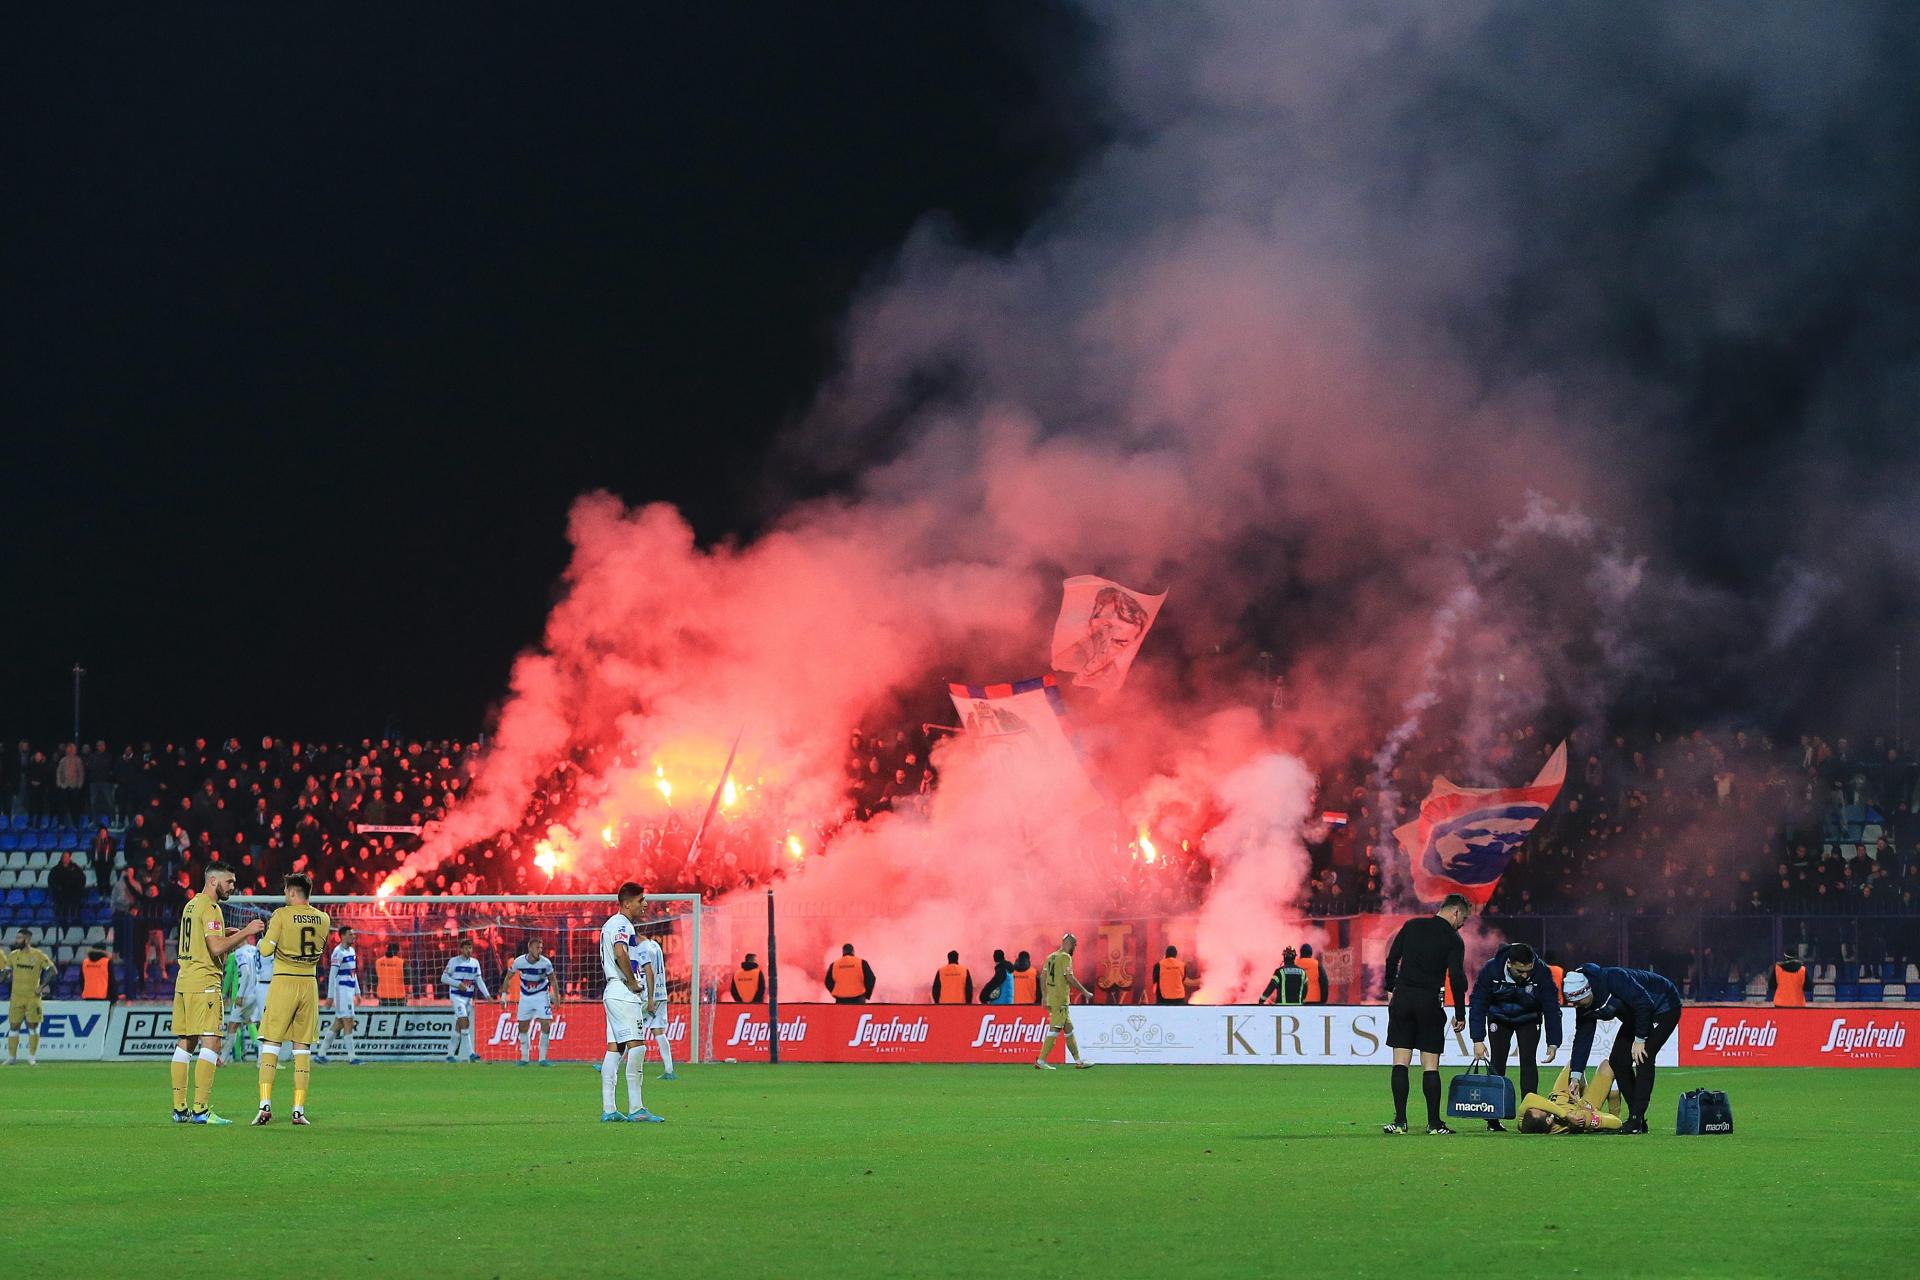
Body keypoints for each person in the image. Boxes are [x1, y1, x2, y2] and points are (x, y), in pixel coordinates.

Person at [169, 866, 265, 1124]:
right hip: (205, 982)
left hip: (185, 980)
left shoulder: (191, 905)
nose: (233, 886)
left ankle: (180, 1109)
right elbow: (215, 948)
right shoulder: (212, 908)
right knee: (211, 1043)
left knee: (186, 1043)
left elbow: (208, 942)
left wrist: (225, 935)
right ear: (213, 880)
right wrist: (246, 932)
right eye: (229, 881)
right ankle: (200, 1110)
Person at [1381, 893, 1471, 1136]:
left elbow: (1392, 960)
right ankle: (1434, 1123)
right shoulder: (1453, 939)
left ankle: (1400, 1121)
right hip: (1429, 1002)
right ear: (1455, 912)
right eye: (1463, 918)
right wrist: (1460, 1013)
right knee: (1430, 1066)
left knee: (1400, 1061)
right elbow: (1457, 978)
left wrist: (1390, 989)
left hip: (1402, 999)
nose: (1462, 924)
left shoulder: (1412, 926)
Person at [1562, 964, 1683, 1135]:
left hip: (1663, 1006)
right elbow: (1583, 1038)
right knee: (1618, 1061)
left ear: (1587, 991)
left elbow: (1644, 1003)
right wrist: (1575, 1076)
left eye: (1577, 1002)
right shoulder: (1583, 1005)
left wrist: (1640, 1039)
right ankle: (1638, 1120)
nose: (1575, 1007)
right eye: (1572, 1003)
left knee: (1644, 1056)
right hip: (1636, 1015)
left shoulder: (1614, 979)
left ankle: (1635, 1119)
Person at [253, 872, 330, 1126]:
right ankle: (298, 1110)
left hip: (284, 981)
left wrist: (259, 938)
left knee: (271, 1045)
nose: (285, 895)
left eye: (286, 891)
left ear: (293, 893)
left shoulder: (281, 916)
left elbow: (265, 951)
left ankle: (265, 1107)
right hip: (309, 984)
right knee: (302, 1049)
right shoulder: (324, 919)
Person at [1468, 941, 1561, 1131]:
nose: (1525, 975)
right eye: (1520, 971)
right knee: (1497, 1062)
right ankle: (1492, 1119)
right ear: (1509, 963)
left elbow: (1551, 1007)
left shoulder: (1541, 971)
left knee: (1528, 1061)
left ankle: (1530, 1115)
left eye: (1529, 970)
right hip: (1499, 1018)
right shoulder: (1491, 969)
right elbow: (1478, 1003)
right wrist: (1477, 1039)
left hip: (1528, 1018)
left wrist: (1553, 1042)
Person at [598, 882, 663, 1123]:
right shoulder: (621, 923)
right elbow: (620, 952)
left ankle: (609, 1108)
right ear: (627, 903)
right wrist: (632, 981)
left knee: (615, 1049)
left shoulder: (612, 924)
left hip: (612, 991)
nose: (644, 904)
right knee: (638, 1047)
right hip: (623, 991)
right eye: (640, 900)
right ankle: (637, 1109)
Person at [1036, 932, 1094, 1070]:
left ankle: (1079, 1061)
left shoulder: (1051, 957)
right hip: (1060, 999)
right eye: (1074, 945)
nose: (1075, 948)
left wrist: (1044, 996)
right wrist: (1084, 992)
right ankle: (1041, 1060)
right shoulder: (1065, 957)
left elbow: (1042, 977)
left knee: (1069, 1029)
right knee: (1055, 1029)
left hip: (1052, 998)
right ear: (1068, 943)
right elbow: (1069, 977)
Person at [1517, 1063, 1625, 1134]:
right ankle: (1614, 1111)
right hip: (1582, 1106)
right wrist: (1592, 1112)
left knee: (1575, 1063)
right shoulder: (1577, 1119)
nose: (1541, 1106)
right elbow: (1616, 1123)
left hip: (1560, 1093)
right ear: (1549, 1120)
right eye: (1542, 1110)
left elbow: (1529, 1098)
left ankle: (1582, 1088)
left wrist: (1565, 1115)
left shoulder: (1526, 1124)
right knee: (1608, 1066)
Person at [5, 929, 57, 1066]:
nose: (17, 940)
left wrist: (42, 986)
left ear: (27, 940)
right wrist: (4, 975)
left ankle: (31, 1057)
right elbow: (6, 974)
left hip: (32, 997)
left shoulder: (38, 955)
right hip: (16, 996)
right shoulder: (12, 955)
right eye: (16, 937)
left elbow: (53, 971)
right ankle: (11, 1057)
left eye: (19, 938)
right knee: (13, 1025)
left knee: (33, 1025)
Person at [441, 938, 491, 1063]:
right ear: (461, 949)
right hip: (456, 996)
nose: (468, 950)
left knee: (459, 1026)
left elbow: (479, 980)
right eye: (466, 948)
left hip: (468, 998)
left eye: (470, 948)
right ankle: (471, 1053)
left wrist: (487, 995)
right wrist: (458, 984)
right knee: (464, 1022)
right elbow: (444, 978)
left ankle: (450, 1054)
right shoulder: (454, 962)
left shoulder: (475, 963)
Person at [635, 927, 675, 1080]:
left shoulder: (642, 949)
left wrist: (649, 998)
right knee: (658, 1031)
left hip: (647, 995)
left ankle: (612, 1064)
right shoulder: (655, 945)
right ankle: (669, 1070)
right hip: (661, 992)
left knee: (629, 1027)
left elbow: (648, 973)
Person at [508, 936, 557, 1066]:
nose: (539, 950)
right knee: (522, 1026)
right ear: (530, 948)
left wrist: (557, 997)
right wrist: (503, 995)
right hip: (526, 997)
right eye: (537, 947)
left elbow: (553, 980)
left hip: (542, 996)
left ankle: (542, 1058)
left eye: (541, 947)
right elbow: (508, 977)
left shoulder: (546, 963)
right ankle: (525, 1058)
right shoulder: (519, 962)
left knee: (546, 1024)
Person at [317, 926, 361, 1064]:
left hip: (349, 990)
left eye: (353, 934)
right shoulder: (337, 953)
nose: (353, 936)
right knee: (348, 1021)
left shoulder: (352, 951)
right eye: (350, 934)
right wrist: (330, 996)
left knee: (339, 1023)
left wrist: (357, 991)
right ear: (342, 936)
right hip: (341, 991)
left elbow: (353, 973)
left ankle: (321, 1054)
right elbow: (332, 975)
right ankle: (352, 1057)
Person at [221, 934, 264, 1064]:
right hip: (257, 992)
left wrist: (238, 995)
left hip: (243, 995)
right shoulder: (255, 950)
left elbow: (245, 973)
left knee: (233, 1025)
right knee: (252, 1023)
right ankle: (261, 1059)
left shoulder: (238, 953)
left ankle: (223, 1058)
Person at [48, 852, 87, 930]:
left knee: (75, 909)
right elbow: (51, 881)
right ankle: (62, 925)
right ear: (62, 858)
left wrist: (78, 888)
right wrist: (58, 888)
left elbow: (82, 878)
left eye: (68, 857)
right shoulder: (56, 869)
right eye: (65, 857)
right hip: (61, 896)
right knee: (61, 912)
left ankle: (75, 923)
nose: (66, 859)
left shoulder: (75, 868)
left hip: (74, 895)